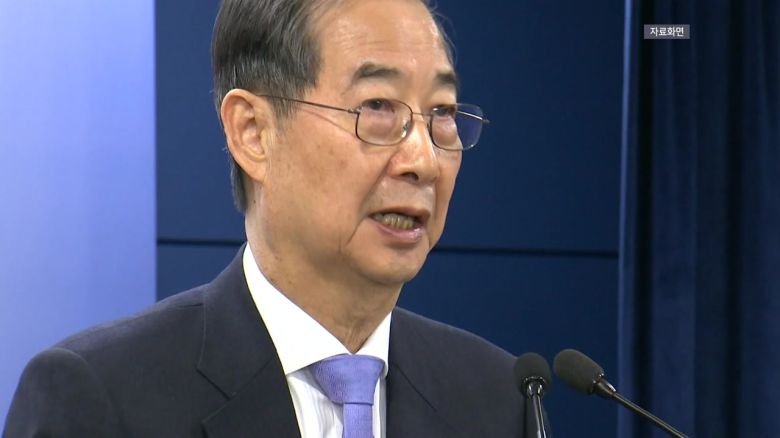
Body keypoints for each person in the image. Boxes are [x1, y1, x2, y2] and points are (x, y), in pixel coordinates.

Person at [4, 0, 527, 436]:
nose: (423, 160)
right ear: (253, 132)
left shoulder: (500, 399)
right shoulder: (101, 399)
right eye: (377, 107)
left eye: (441, 113)